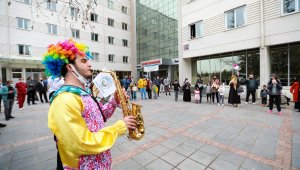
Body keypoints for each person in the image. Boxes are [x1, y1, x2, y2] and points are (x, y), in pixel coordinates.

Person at [42, 39, 136, 169]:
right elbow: (81, 142)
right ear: (70, 67)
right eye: (84, 61)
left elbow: (98, 117)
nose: (90, 65)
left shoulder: (82, 92)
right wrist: (119, 127)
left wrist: (115, 100)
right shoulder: (64, 99)